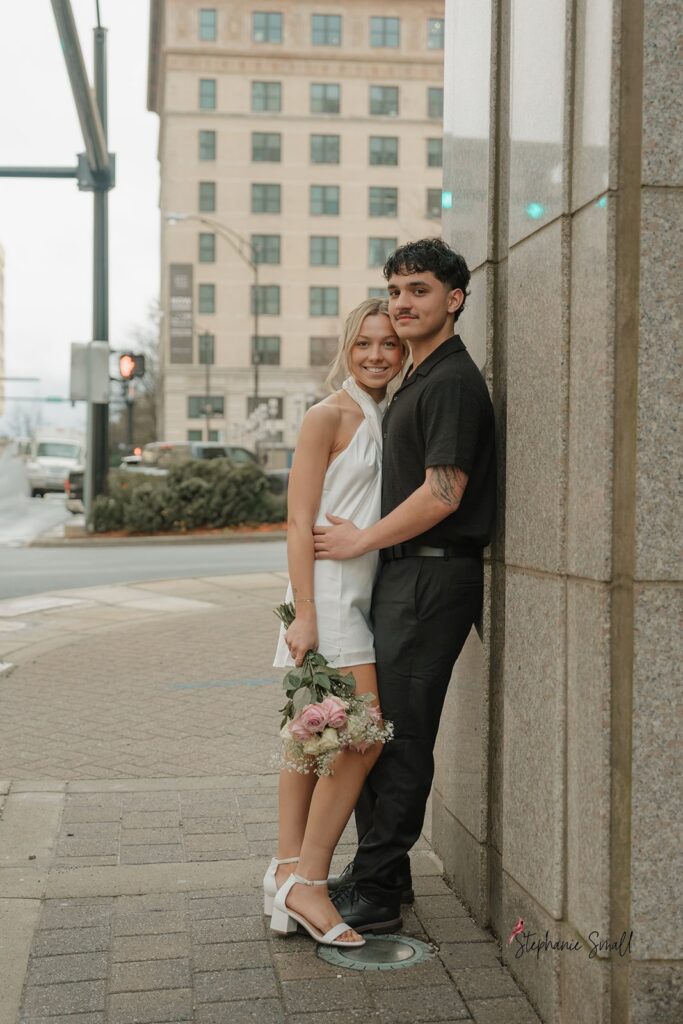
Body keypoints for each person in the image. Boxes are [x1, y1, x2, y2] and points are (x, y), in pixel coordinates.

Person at [314, 238, 496, 933]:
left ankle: (379, 895)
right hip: (409, 573)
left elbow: (444, 493)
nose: (401, 304)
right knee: (381, 730)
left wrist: (360, 539)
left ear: (454, 298)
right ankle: (382, 873)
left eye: (418, 290)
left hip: (431, 574)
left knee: (400, 737)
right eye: (394, 291)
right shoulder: (418, 377)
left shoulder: (450, 382)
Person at [265, 298, 409, 947]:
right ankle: (310, 885)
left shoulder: (384, 413)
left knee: (312, 738)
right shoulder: (328, 414)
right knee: (361, 738)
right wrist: (305, 613)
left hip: (355, 594)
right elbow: (298, 522)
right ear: (346, 349)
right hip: (327, 598)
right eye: (363, 344)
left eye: (388, 344)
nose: (376, 355)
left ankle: (285, 868)